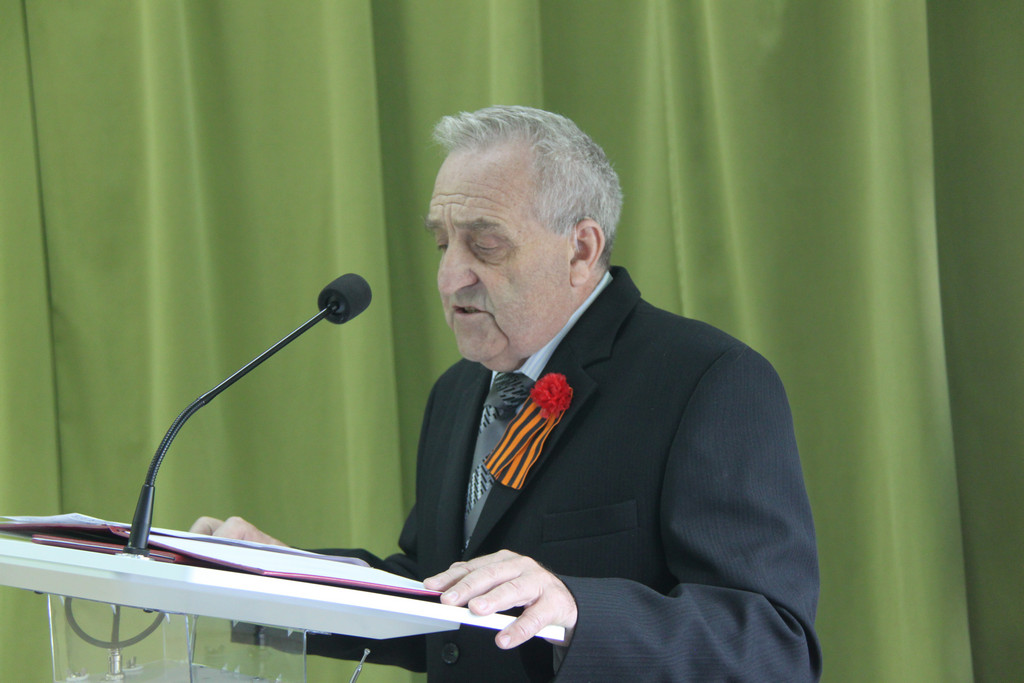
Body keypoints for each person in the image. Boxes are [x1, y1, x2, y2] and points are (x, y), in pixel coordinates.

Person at [191, 105, 821, 681]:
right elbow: (441, 599)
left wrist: (577, 610)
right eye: (442, 243)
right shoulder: (458, 391)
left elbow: (773, 645)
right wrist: (282, 579)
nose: (449, 277)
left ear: (581, 250)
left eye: (485, 245)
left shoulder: (706, 380)